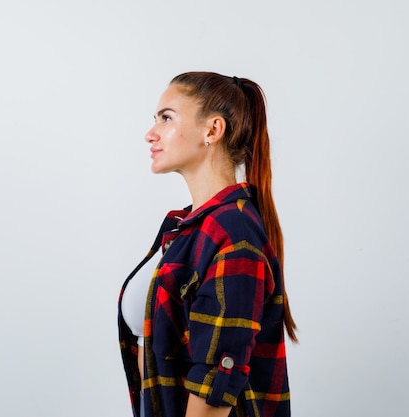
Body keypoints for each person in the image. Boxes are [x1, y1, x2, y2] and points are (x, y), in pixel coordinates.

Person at [118, 72, 298, 417]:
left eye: (166, 118)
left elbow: (215, 387)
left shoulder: (233, 235)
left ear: (212, 131)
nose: (150, 134)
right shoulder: (189, 228)